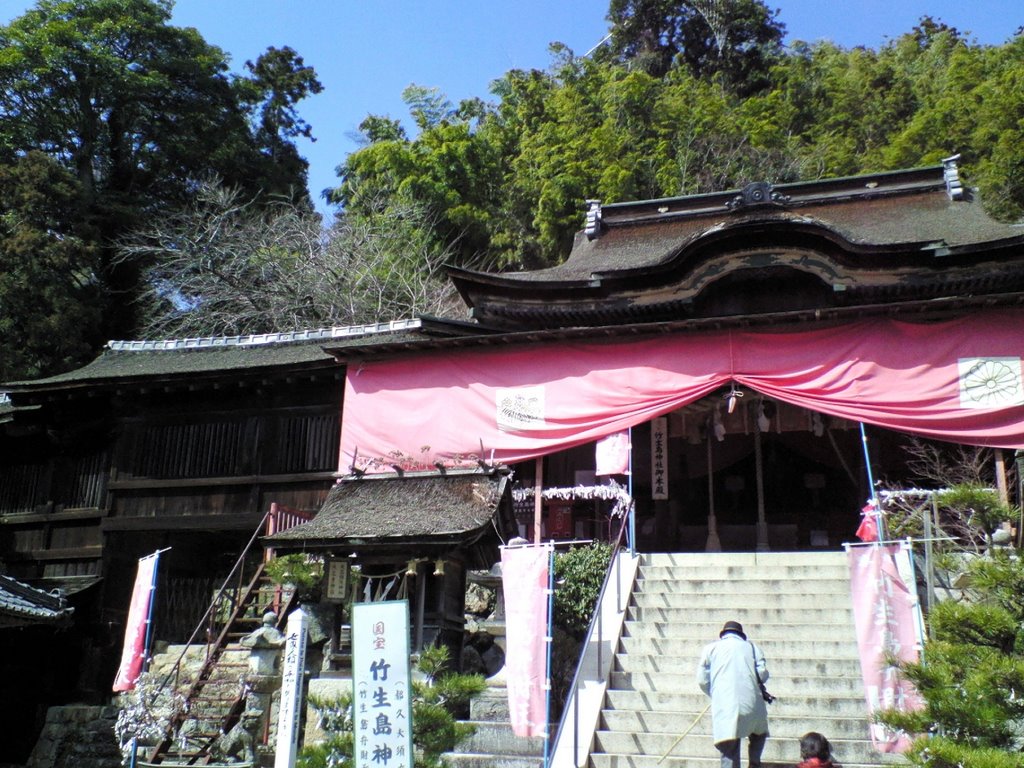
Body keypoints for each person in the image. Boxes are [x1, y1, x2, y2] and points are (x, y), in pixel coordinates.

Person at [696, 620, 770, 768]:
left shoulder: (710, 649)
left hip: (725, 706)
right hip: (753, 704)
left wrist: (715, 694)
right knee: (759, 734)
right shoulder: (753, 648)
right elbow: (762, 675)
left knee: (729, 749)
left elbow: (702, 680)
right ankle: (754, 763)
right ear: (741, 635)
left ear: (723, 634)